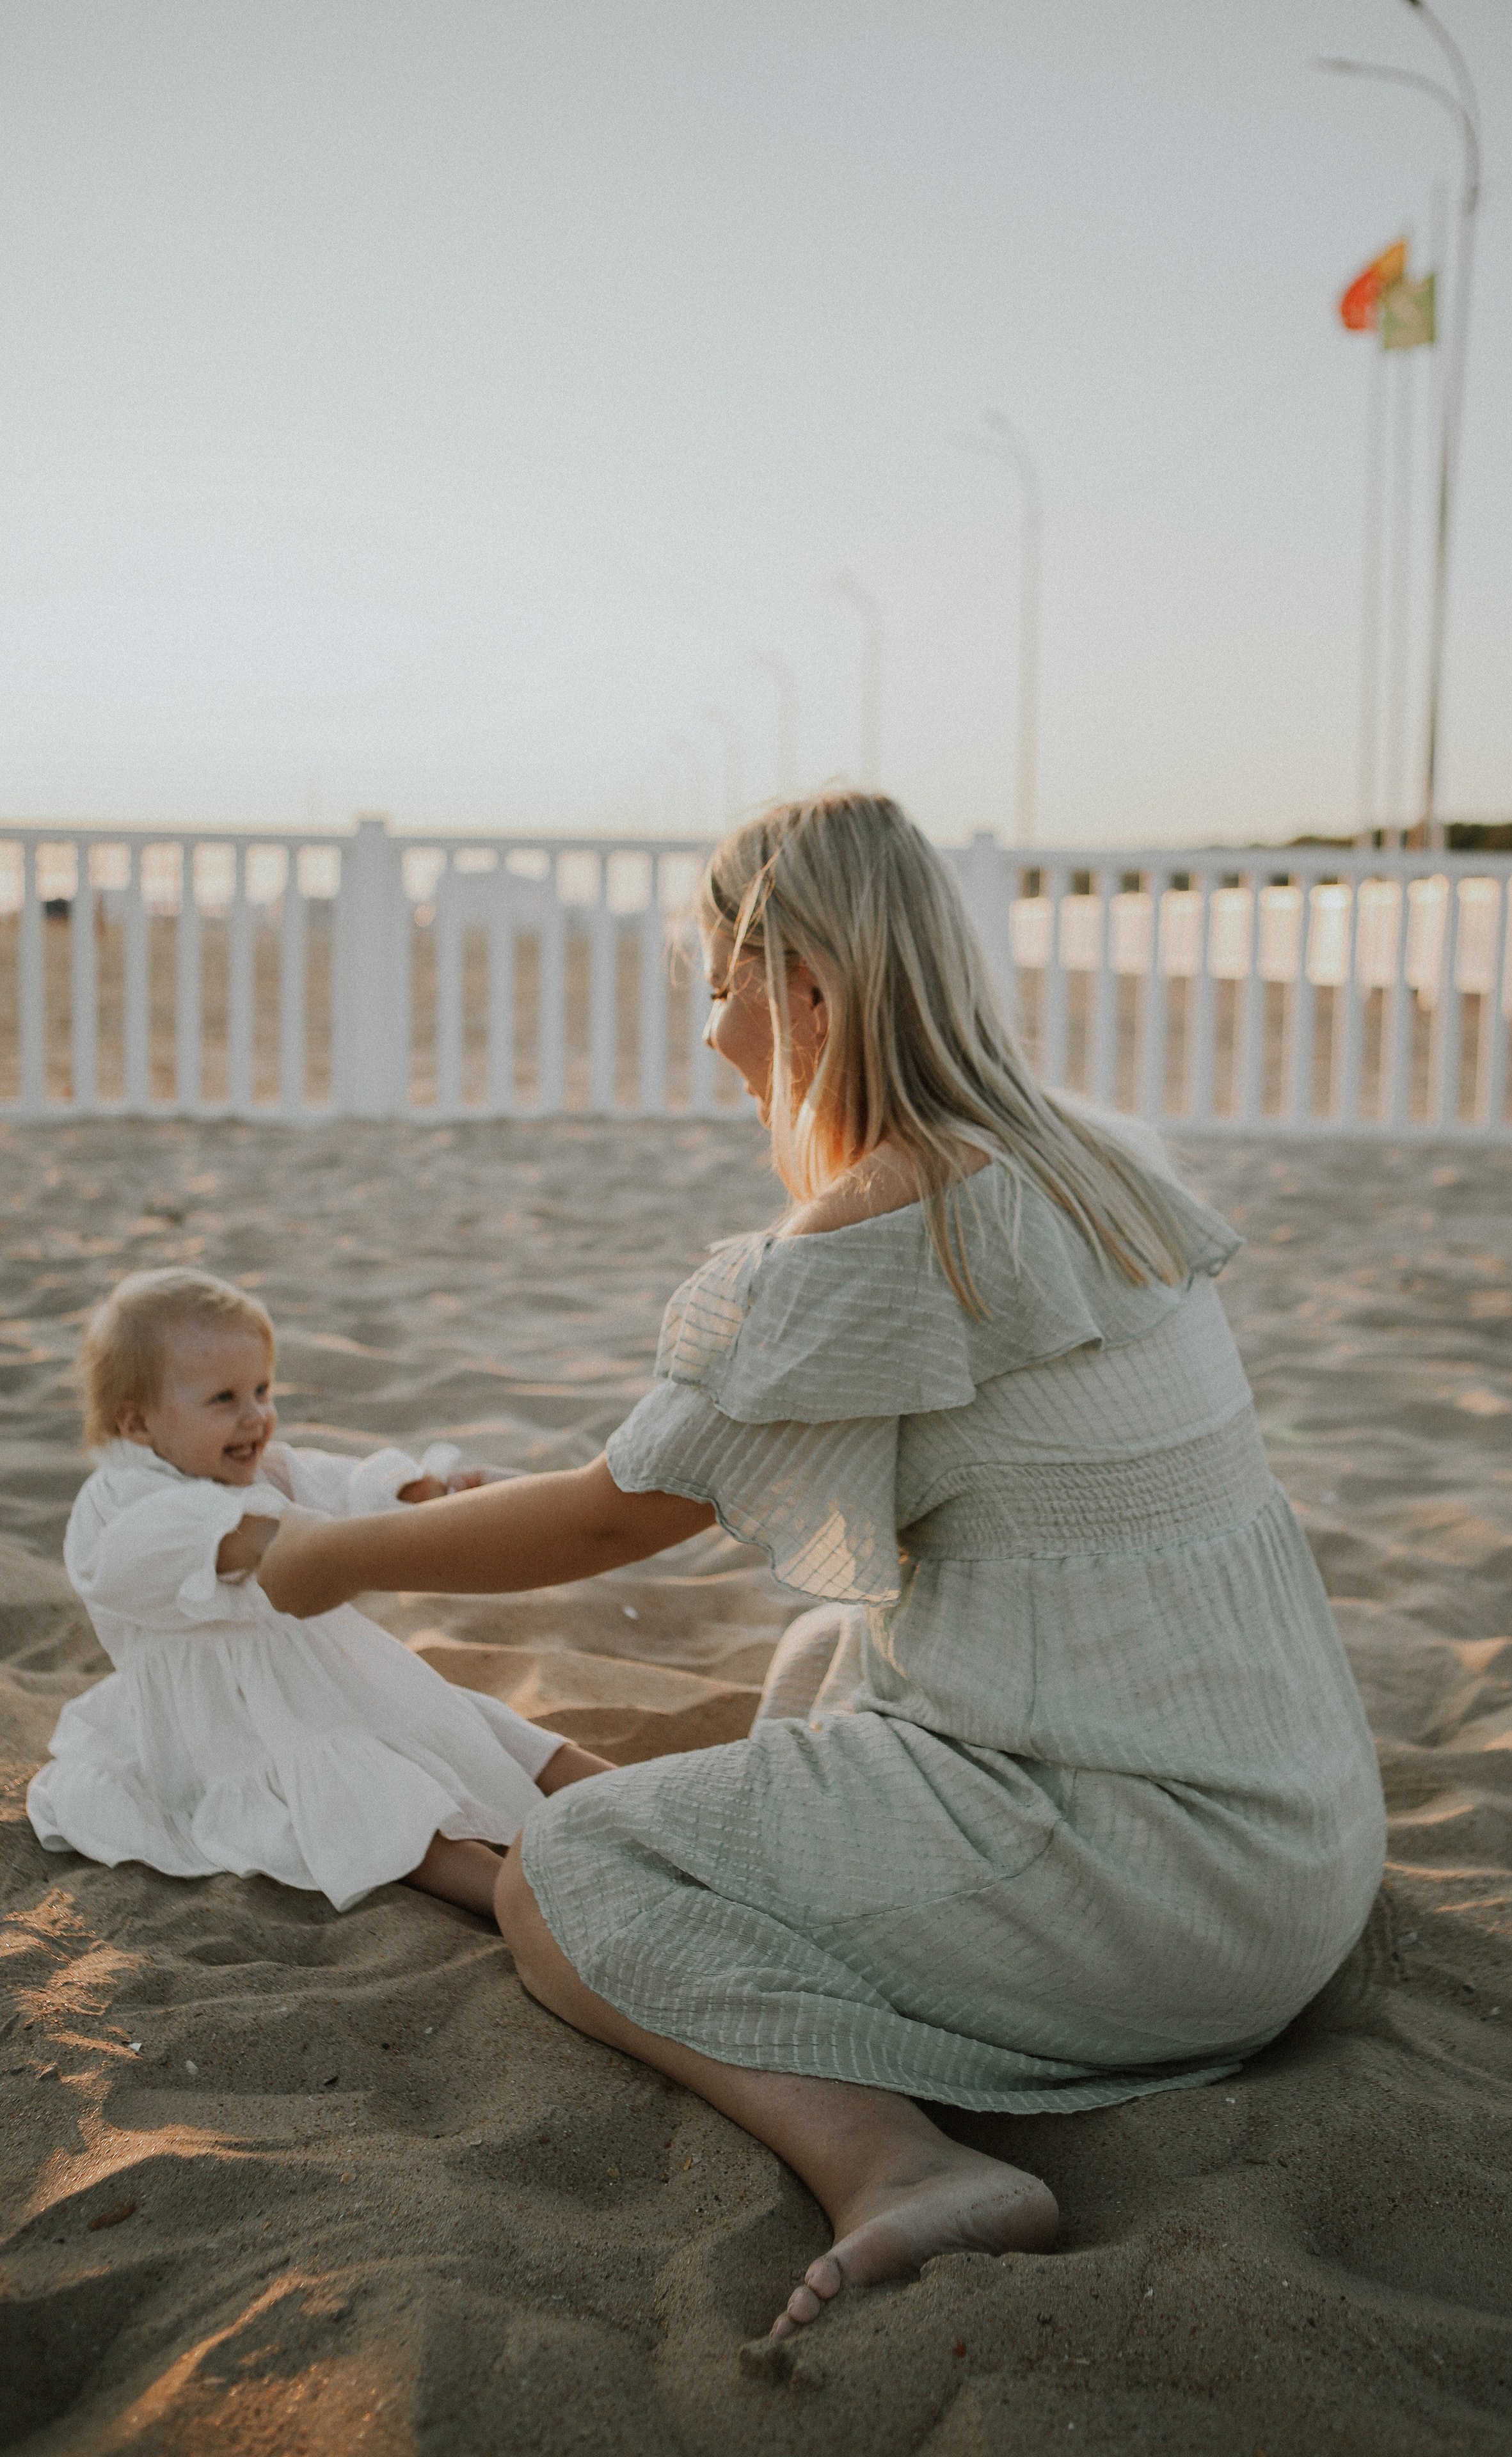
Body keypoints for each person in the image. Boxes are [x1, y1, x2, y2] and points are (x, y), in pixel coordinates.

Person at [253, 793, 1387, 2339]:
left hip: (1154, 1904)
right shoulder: (1090, 1162)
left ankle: (894, 2158)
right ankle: (720, 1876)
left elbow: (609, 1515)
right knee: (815, 1658)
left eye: (718, 981)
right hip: (1299, 1854)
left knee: (560, 1884)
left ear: (805, 991)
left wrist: (327, 1556)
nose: (709, 1030)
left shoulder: (890, 1224)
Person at [27, 1267, 608, 1916]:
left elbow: (341, 1486)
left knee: (491, 1735)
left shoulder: (263, 1468)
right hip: (240, 1729)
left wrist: (432, 1492)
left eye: (262, 1389)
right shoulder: (120, 1508)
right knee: (390, 1812)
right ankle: (531, 1904)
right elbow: (235, 1538)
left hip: (335, 1683)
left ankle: (652, 1806)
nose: (256, 1417)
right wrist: (309, 1535)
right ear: (137, 1424)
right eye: (224, 1399)